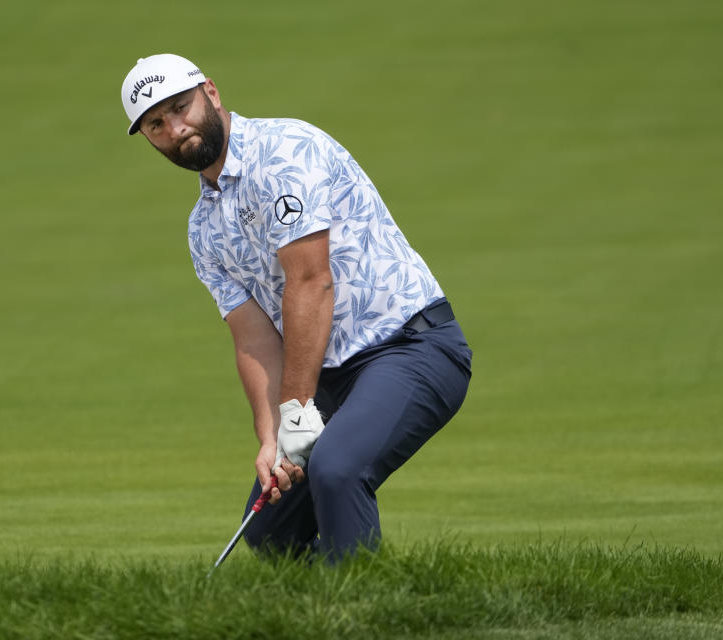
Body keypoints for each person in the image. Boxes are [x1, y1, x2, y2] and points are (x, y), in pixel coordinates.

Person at [120, 54, 473, 562]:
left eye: (181, 107)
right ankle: (332, 606)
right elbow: (254, 340)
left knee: (337, 469)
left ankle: (361, 615)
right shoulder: (202, 229)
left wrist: (297, 411)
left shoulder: (284, 150)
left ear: (211, 94)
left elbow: (310, 282)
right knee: (271, 531)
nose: (176, 128)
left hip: (410, 347)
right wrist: (273, 439)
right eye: (157, 124)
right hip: (327, 378)